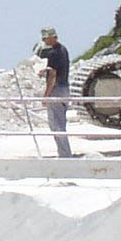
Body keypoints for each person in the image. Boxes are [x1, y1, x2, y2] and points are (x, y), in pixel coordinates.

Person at [38, 26, 73, 158]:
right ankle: (64, 152)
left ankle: (65, 154)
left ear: (51, 37)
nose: (44, 40)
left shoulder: (53, 53)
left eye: (45, 38)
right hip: (65, 89)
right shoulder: (63, 50)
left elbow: (52, 76)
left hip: (57, 90)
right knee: (60, 122)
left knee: (57, 124)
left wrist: (46, 96)